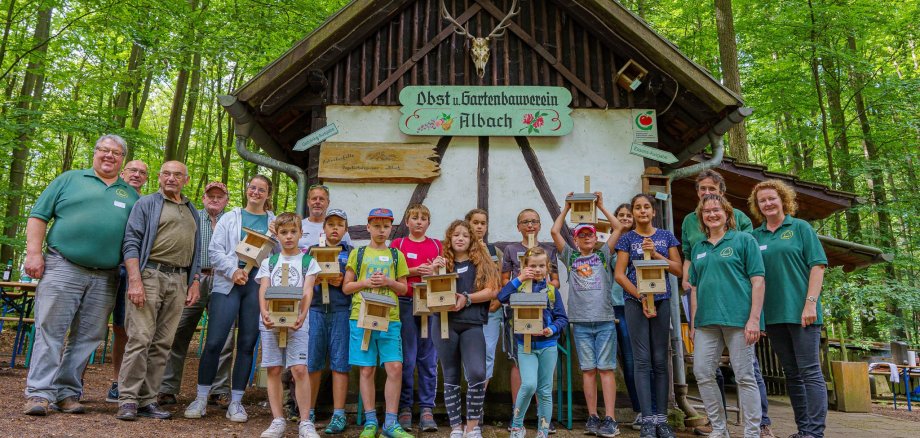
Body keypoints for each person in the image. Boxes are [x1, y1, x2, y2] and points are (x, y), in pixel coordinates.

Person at [23, 134, 139, 416]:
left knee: (88, 337)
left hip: (107, 275)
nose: (109, 155)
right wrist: (33, 253)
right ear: (95, 153)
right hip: (63, 266)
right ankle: (39, 393)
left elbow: (135, 239)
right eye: (104, 150)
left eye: (115, 152)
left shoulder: (131, 195)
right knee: (51, 330)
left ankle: (67, 392)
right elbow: (38, 216)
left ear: (122, 159)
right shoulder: (69, 179)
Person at [679, 170, 773, 437]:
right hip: (706, 322)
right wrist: (694, 323)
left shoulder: (743, 240)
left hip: (739, 319)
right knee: (702, 372)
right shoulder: (699, 249)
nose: (712, 214)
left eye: (716, 210)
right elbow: (694, 288)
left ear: (727, 213)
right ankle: (719, 430)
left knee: (745, 376)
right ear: (701, 217)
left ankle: (752, 432)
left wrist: (755, 319)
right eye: (706, 212)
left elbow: (758, 281)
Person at [185, 174, 277, 422]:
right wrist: (232, 270)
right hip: (228, 284)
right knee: (214, 341)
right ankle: (201, 397)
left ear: (268, 194)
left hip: (256, 286)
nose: (256, 192)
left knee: (247, 344)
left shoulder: (273, 222)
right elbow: (214, 250)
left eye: (262, 190)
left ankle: (236, 402)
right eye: (253, 188)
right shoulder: (231, 217)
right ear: (247, 190)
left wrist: (275, 239)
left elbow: (280, 255)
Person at [116, 161, 202, 421]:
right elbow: (131, 241)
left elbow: (196, 250)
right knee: (140, 337)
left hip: (179, 280)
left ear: (186, 180)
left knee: (163, 343)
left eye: (178, 175)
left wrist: (194, 280)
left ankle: (148, 399)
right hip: (149, 274)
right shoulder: (147, 204)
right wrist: (135, 280)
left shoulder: (191, 209)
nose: (172, 178)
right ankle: (128, 399)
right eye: (167, 173)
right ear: (159, 177)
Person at [749, 180, 828, 438]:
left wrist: (810, 304)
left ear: (783, 199)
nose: (768, 203)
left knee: (810, 372)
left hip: (803, 313)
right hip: (773, 316)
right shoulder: (755, 237)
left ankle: (815, 433)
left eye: (772, 198)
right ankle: (804, 430)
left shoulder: (800, 228)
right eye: (762, 201)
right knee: (792, 374)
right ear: (757, 206)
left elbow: (817, 266)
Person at [550, 192, 624, 437]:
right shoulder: (570, 257)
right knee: (588, 370)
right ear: (576, 239)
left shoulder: (603, 255)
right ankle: (592, 416)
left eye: (589, 234)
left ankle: (610, 417)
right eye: (581, 234)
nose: (586, 237)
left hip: (604, 320)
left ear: (595, 237)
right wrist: (566, 207)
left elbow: (617, 227)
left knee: (606, 369)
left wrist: (601, 206)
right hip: (580, 322)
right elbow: (554, 232)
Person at [158, 181, 234, 407]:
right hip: (194, 278)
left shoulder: (232, 221)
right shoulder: (192, 216)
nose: (215, 199)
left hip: (224, 279)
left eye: (220, 196)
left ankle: (219, 390)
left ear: (226, 200)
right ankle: (167, 388)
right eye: (211, 195)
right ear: (203, 198)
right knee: (178, 331)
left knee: (225, 336)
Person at [613, 194, 681, 438]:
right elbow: (620, 274)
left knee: (660, 359)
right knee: (641, 361)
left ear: (653, 211)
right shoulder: (627, 239)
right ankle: (647, 421)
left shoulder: (665, 236)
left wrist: (658, 254)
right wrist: (641, 298)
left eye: (646, 207)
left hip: (661, 301)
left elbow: (678, 269)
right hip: (635, 302)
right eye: (637, 208)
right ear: (633, 212)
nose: (642, 211)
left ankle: (662, 419)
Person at [342, 208, 413, 438]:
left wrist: (388, 281)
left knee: (395, 367)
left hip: (390, 317)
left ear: (390, 228)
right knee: (367, 368)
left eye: (386, 226)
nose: (381, 230)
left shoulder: (396, 255)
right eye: (377, 226)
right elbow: (347, 287)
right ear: (368, 227)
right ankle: (371, 422)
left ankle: (391, 424)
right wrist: (366, 283)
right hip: (361, 316)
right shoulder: (358, 254)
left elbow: (404, 288)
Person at [432, 220, 501, 438]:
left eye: (465, 235)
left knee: (477, 372)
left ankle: (473, 426)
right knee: (450, 375)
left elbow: (492, 290)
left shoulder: (481, 262)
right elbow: (433, 294)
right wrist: (435, 272)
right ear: (449, 239)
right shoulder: (443, 263)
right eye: (456, 235)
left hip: (472, 324)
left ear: (471, 239)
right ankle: (455, 427)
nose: (460, 238)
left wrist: (467, 298)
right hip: (444, 323)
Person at [257, 212, 322, 438]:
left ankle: (305, 421)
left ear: (301, 233)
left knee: (299, 369)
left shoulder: (308, 261)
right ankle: (277, 420)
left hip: (297, 320)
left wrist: (303, 315)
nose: (289, 236)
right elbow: (263, 288)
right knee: (274, 368)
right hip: (270, 321)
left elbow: (308, 289)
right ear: (277, 234)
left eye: (293, 232)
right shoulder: (269, 261)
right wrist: (264, 312)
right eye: (284, 232)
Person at [496, 247, 568, 438]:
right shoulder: (519, 287)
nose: (537, 269)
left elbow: (562, 318)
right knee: (528, 385)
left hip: (548, 346)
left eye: (541, 266)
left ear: (547, 267)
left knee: (545, 390)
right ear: (525, 267)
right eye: (533, 266)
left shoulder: (552, 291)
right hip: (525, 345)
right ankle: (517, 426)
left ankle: (543, 430)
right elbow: (501, 297)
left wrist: (551, 329)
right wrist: (519, 278)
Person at [500, 208, 560, 432]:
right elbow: (503, 290)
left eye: (534, 221)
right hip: (519, 324)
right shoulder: (511, 250)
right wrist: (521, 281)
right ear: (518, 226)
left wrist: (543, 292)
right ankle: (518, 420)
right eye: (525, 222)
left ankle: (544, 422)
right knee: (524, 373)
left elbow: (556, 283)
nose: (530, 225)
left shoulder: (549, 251)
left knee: (544, 386)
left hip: (544, 331)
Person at [390, 204, 442, 432]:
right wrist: (415, 271)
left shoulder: (436, 245)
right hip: (405, 304)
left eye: (423, 218)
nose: (419, 222)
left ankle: (427, 409)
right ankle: (404, 408)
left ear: (429, 223)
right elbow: (391, 273)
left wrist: (437, 270)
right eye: (414, 218)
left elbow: (444, 277)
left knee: (429, 359)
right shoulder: (398, 245)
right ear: (407, 222)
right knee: (407, 359)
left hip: (430, 306)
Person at [306, 209, 353, 434]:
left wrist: (343, 281)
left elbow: (354, 282)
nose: (335, 228)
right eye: (330, 224)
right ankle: (309, 411)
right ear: (323, 228)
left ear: (345, 230)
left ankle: (339, 413)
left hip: (341, 312)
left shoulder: (350, 254)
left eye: (340, 225)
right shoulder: (311, 252)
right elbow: (303, 279)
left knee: (340, 363)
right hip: (315, 311)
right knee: (313, 362)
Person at [106, 159, 149, 402]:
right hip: (102, 267)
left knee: (123, 328)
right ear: (123, 172)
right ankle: (72, 382)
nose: (137, 175)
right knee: (89, 327)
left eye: (142, 172)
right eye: (133, 170)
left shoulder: (146, 203)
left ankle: (117, 382)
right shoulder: (108, 195)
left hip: (130, 271)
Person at [609, 203, 648, 430]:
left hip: (632, 303)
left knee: (635, 359)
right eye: (620, 215)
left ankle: (643, 410)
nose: (624, 218)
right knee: (615, 362)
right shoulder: (611, 244)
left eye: (627, 215)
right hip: (612, 306)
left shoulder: (638, 241)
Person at [464, 208, 503, 384]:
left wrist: (497, 302)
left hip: (492, 311)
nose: (479, 227)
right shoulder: (461, 250)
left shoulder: (495, 251)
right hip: (468, 310)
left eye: (483, 223)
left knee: (488, 353)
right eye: (475, 223)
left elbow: (501, 280)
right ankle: (472, 394)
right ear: (467, 224)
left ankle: (479, 400)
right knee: (470, 354)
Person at [298, 184, 351, 250]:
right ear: (308, 202)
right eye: (314, 199)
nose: (317, 202)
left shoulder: (340, 229)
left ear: (328, 203)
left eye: (321, 199)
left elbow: (350, 254)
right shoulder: (298, 226)